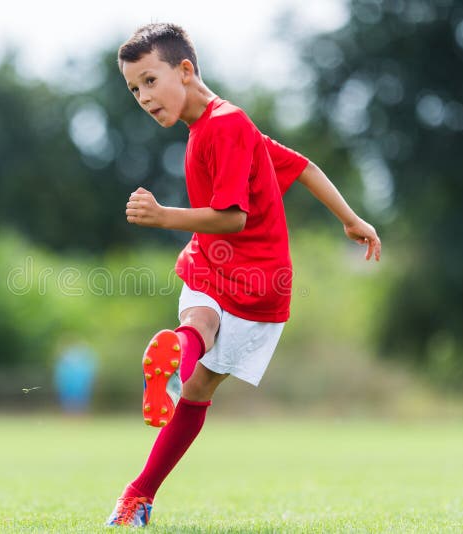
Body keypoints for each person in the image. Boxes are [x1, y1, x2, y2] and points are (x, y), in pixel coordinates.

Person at [106, 23, 382, 527]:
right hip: (213, 262)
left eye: (149, 80)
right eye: (133, 88)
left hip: (256, 281)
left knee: (196, 367)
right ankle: (139, 485)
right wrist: (350, 218)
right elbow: (303, 167)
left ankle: (143, 476)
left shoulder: (228, 125)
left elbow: (234, 217)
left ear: (185, 70)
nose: (143, 97)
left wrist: (165, 215)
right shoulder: (217, 126)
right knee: (196, 358)